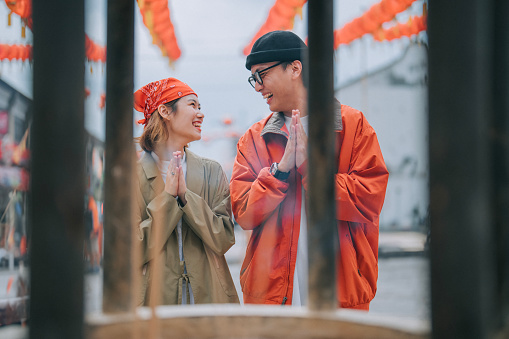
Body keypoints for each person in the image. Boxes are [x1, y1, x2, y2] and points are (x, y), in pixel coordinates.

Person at [230, 30, 389, 310]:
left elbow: (368, 201)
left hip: (340, 290)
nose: (257, 87)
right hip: (271, 294)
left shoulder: (353, 126)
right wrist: (280, 171)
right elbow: (243, 213)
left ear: (294, 68)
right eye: (252, 79)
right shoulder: (253, 139)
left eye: (261, 75)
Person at [134, 78, 239, 305]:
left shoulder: (211, 170)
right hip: (153, 305)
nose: (200, 114)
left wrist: (186, 197)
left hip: (209, 300)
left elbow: (224, 239)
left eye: (200, 107)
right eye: (192, 105)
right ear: (165, 111)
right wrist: (168, 199)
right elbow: (131, 249)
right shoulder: (132, 176)